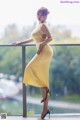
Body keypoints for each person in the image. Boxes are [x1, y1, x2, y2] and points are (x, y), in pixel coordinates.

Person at [12, 7, 53, 119]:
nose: (41, 16)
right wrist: (19, 42)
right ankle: (45, 109)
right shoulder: (38, 26)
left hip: (45, 52)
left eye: (43, 15)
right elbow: (33, 39)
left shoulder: (43, 25)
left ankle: (45, 107)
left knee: (29, 68)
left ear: (45, 16)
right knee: (42, 80)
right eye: (40, 14)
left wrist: (41, 44)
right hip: (42, 52)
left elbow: (50, 38)